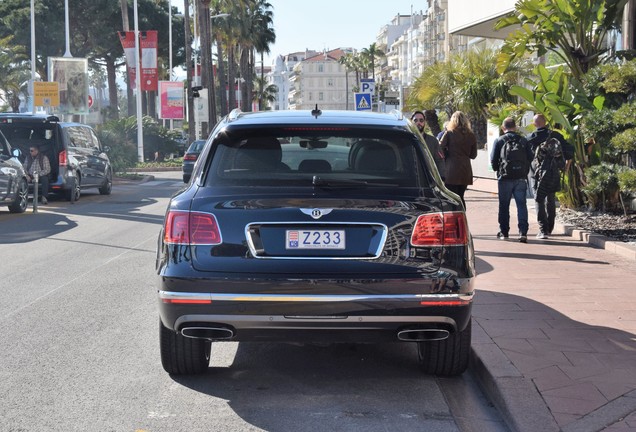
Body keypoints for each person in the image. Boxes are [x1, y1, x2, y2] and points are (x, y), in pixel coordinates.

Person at [526, 114, 575, 239]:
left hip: (536, 173)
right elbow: (569, 150)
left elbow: (526, 156)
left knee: (539, 200)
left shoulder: (531, 137)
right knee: (550, 199)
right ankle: (550, 227)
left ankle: (543, 229)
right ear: (545, 123)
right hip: (553, 172)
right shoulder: (556, 136)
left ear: (535, 124)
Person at [490, 117, 533, 243]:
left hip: (505, 178)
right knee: (521, 205)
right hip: (520, 177)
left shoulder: (499, 140)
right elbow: (530, 157)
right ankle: (523, 232)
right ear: (515, 127)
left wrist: (499, 170)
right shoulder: (523, 140)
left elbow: (493, 159)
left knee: (504, 205)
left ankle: (504, 231)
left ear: (504, 128)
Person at [438, 111, 477, 208]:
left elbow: (439, 149)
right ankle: (462, 218)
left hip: (451, 170)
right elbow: (473, 155)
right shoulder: (471, 135)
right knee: (461, 196)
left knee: (451, 198)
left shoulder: (449, 133)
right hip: (465, 170)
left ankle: (453, 219)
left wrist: (447, 154)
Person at [411, 111, 446, 179]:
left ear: (425, 123)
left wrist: (442, 178)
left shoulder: (433, 141)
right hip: (410, 180)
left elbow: (439, 161)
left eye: (421, 120)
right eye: (415, 120)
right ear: (411, 122)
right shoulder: (405, 140)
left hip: (428, 181)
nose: (418, 123)